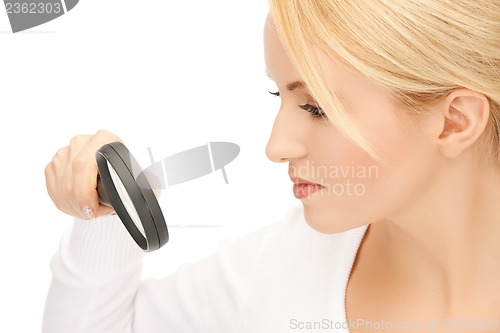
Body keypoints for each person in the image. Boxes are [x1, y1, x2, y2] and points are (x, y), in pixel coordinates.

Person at [43, 1, 500, 332]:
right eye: (279, 96)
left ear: (454, 121)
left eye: (317, 107)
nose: (275, 147)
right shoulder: (280, 267)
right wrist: (108, 215)